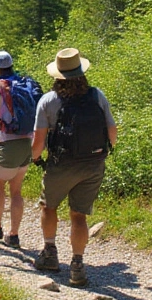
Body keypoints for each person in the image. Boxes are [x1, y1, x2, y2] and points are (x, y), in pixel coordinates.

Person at [31, 47, 116, 287]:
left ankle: (50, 253)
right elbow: (112, 132)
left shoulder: (48, 101)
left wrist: (36, 159)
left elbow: (38, 142)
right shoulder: (97, 96)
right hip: (93, 164)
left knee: (49, 207)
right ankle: (77, 266)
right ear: (81, 72)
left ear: (57, 76)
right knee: (79, 215)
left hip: (61, 164)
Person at [0, 50, 40, 249]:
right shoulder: (25, 84)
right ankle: (14, 235)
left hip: (9, 143)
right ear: (11, 65)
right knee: (16, 189)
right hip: (29, 142)